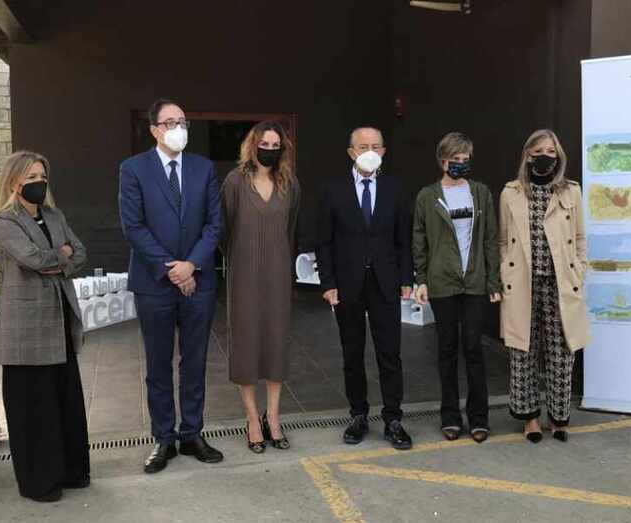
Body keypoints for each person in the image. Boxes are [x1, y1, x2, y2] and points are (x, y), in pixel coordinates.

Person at [119, 99, 223, 473]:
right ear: (154, 130)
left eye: (183, 121)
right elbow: (133, 227)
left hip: (200, 280)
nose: (178, 128)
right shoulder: (133, 169)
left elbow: (214, 224)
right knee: (158, 364)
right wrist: (174, 270)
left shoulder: (203, 168)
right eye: (169, 122)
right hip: (154, 283)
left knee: (195, 361)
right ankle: (164, 438)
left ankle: (192, 433)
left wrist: (192, 264)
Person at [0, 151, 89, 502]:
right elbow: (32, 259)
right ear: (14, 181)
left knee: (64, 399)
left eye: (42, 176)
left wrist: (57, 260)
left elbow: (80, 252)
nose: (38, 183)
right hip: (26, 328)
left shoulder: (54, 215)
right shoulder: (5, 221)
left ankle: (72, 472)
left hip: (59, 318)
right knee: (34, 406)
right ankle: (39, 482)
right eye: (30, 177)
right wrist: (61, 256)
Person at [316, 126, 414, 450]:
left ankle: (393, 418)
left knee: (390, 354)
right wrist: (328, 283)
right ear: (351, 152)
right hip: (348, 284)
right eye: (362, 146)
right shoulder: (333, 190)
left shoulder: (395, 188)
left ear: (383, 151)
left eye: (375, 146)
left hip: (386, 283)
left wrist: (406, 278)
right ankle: (358, 415)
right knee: (352, 353)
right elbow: (324, 241)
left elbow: (403, 238)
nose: (369, 151)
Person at [498, 129, 591, 443]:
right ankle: (530, 419)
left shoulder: (571, 191)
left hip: (560, 284)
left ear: (558, 155)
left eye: (551, 151)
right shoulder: (510, 192)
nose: (545, 157)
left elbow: (579, 237)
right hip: (522, 283)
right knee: (523, 352)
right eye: (538, 151)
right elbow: (502, 240)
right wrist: (505, 272)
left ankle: (559, 416)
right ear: (527, 155)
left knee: (561, 352)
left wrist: (579, 270)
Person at [412, 132, 501, 443]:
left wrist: (493, 280)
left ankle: (479, 417)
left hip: (474, 280)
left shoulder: (480, 193)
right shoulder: (427, 196)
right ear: (443, 161)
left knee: (473, 347)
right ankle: (450, 416)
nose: (461, 164)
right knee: (447, 348)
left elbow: (490, 238)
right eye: (455, 159)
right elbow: (419, 240)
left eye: (465, 159)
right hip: (442, 281)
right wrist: (421, 279)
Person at [221, 121, 300, 453]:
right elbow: (223, 229)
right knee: (246, 343)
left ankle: (274, 416)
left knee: (276, 342)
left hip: (278, 275)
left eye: (275, 144)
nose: (269, 149)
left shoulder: (290, 184)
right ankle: (253, 419)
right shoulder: (234, 182)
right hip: (244, 276)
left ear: (282, 148)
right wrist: (242, 258)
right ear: (252, 146)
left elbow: (292, 229)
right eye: (263, 144)